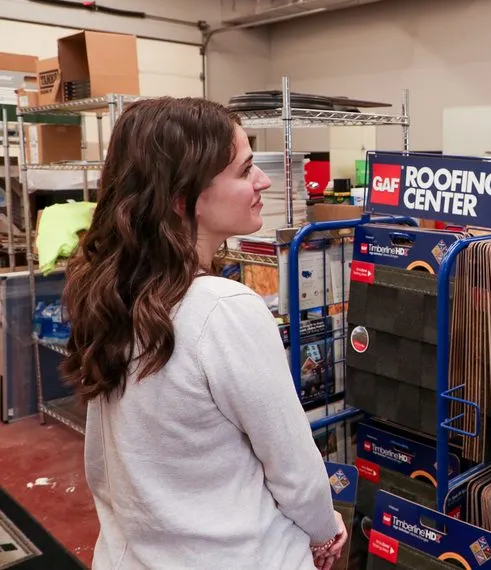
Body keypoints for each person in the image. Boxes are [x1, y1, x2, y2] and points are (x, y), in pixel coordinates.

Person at [60, 97, 348, 569]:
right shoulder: (225, 310)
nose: (264, 182)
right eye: (245, 170)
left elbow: (103, 466)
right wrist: (324, 527)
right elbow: (295, 470)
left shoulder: (113, 295)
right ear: (181, 198)